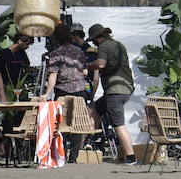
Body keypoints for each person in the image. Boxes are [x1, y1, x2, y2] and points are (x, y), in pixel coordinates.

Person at [87, 24, 137, 165]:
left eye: (93, 40)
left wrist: (88, 66)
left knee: (118, 124)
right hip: (125, 88)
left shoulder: (104, 46)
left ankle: (131, 158)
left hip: (115, 91)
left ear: (98, 37)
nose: (93, 43)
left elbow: (101, 64)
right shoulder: (119, 45)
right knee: (95, 109)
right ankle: (91, 140)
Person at [42, 24, 89, 162]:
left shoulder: (56, 53)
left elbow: (53, 75)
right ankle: (74, 156)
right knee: (77, 123)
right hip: (80, 90)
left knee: (61, 124)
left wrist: (47, 93)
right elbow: (84, 70)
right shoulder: (79, 51)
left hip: (63, 91)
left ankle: (61, 153)